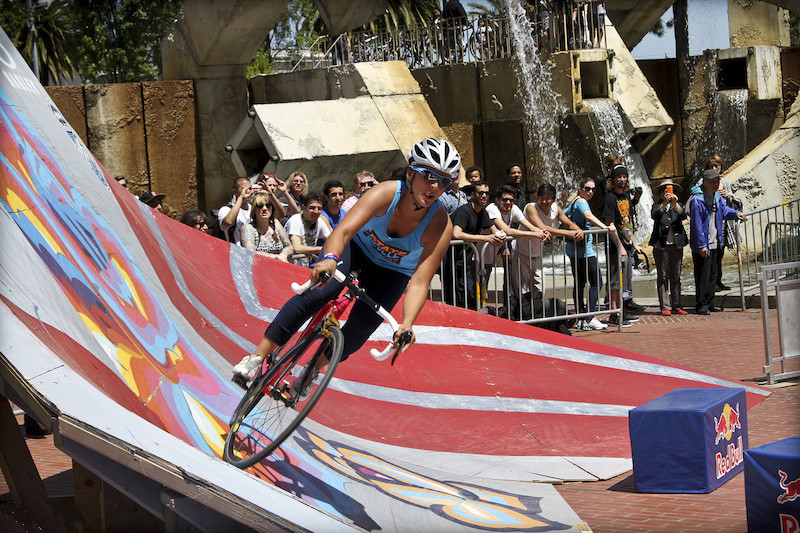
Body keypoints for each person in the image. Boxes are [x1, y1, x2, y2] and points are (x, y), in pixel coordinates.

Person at [233, 138, 460, 396]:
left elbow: (420, 282)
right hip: (356, 247)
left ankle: (312, 370)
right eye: (428, 176)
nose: (435, 186)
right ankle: (256, 357)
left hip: (393, 272)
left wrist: (407, 324)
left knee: (360, 330)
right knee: (318, 292)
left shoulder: (440, 225)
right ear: (410, 173)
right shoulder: (386, 193)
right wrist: (330, 257)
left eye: (444, 181)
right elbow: (342, 231)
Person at [689, 168, 745, 315]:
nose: (715, 185)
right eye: (712, 182)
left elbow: (724, 211)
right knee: (703, 276)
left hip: (717, 241)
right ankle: (701, 305)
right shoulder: (697, 200)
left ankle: (710, 303)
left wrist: (736, 214)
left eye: (717, 181)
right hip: (704, 244)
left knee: (713, 275)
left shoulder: (717, 197)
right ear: (704, 182)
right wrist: (701, 245)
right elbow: (697, 225)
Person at [485, 185, 549, 308]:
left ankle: (512, 312)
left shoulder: (513, 208)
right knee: (479, 288)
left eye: (511, 200)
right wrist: (534, 234)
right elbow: (507, 230)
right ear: (497, 200)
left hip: (492, 252)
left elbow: (528, 225)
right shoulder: (491, 209)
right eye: (504, 200)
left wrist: (541, 232)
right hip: (478, 254)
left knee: (509, 284)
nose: (508, 203)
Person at [564, 177, 614, 330]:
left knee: (580, 284)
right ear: (580, 189)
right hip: (584, 252)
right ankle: (589, 317)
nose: (590, 192)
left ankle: (580, 317)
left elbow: (563, 218)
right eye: (587, 188)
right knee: (597, 282)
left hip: (573, 250)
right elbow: (588, 216)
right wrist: (605, 227)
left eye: (593, 189)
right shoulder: (581, 202)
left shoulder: (573, 202)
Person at [517, 183, 583, 296]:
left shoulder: (555, 208)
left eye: (548, 199)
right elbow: (542, 227)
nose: (544, 202)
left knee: (539, 289)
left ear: (553, 199)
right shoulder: (530, 207)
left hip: (537, 253)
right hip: (521, 252)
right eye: (542, 198)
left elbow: (569, 223)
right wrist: (568, 233)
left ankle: (537, 307)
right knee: (521, 289)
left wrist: (578, 230)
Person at [448, 181, 506, 309]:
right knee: (456, 298)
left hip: (467, 262)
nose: (484, 196)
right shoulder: (464, 211)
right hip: (452, 262)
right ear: (473, 195)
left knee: (471, 296)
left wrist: (500, 237)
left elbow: (494, 230)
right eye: (481, 193)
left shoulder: (483, 212)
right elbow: (456, 234)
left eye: (486, 193)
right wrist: (486, 238)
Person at [602, 165, 642, 327]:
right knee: (614, 281)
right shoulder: (609, 199)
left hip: (627, 245)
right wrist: (620, 247)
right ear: (613, 180)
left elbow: (628, 222)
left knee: (624, 281)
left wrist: (634, 243)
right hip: (615, 247)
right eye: (619, 177)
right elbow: (610, 224)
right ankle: (613, 314)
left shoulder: (625, 196)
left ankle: (622, 310)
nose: (622, 179)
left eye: (624, 176)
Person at [649, 179, 688, 316]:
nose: (668, 193)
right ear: (661, 193)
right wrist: (665, 203)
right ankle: (665, 305)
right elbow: (655, 215)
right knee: (663, 276)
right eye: (665, 191)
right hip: (662, 246)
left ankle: (677, 305)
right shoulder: (657, 206)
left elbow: (683, 215)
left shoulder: (678, 205)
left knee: (676, 276)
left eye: (670, 190)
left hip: (677, 245)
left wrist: (675, 204)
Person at [704, 156, 741, 291]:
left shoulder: (724, 182)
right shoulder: (702, 182)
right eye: (712, 167)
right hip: (711, 222)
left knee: (720, 253)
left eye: (717, 166)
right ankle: (711, 283)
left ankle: (718, 280)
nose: (715, 169)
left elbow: (734, 200)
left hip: (724, 223)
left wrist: (727, 195)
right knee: (712, 255)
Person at [283, 192, 332, 267]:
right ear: (304, 208)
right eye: (312, 208)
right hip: (290, 266)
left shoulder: (320, 221)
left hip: (305, 266)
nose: (316, 212)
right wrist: (323, 249)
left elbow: (331, 240)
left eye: (319, 208)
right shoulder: (295, 221)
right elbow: (297, 248)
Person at [241, 192, 293, 262]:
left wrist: (283, 255)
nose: (265, 208)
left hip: (278, 265)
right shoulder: (248, 228)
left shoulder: (276, 223)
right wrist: (276, 257)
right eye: (260, 206)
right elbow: (250, 253)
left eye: (268, 205)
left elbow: (289, 246)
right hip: (258, 266)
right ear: (254, 210)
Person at [218, 177, 253, 244]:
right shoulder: (226, 210)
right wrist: (241, 197)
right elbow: (228, 222)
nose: (248, 191)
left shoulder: (254, 208)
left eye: (249, 188)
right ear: (235, 192)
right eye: (244, 189)